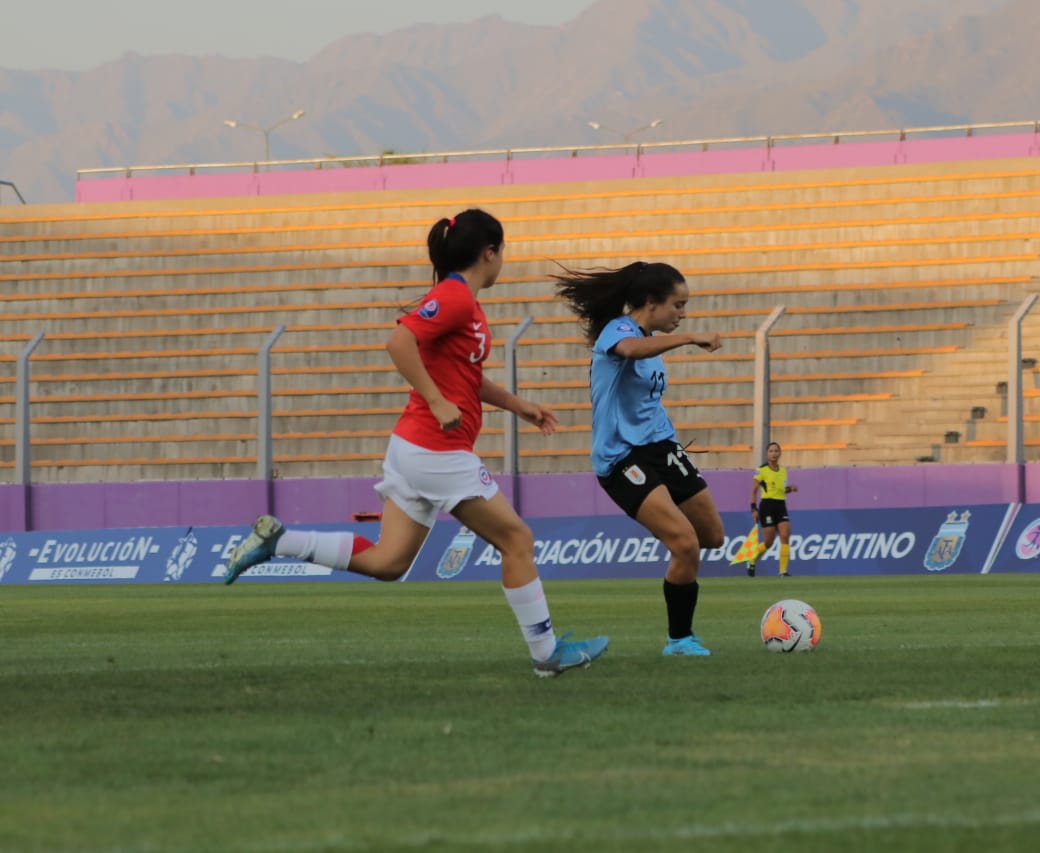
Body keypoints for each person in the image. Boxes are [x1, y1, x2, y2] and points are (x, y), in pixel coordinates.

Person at [223, 209, 608, 678]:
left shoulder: (461, 300)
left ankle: (281, 540)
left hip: (413, 448)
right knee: (518, 541)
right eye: (502, 252)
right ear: (490, 253)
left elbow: (464, 375)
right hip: (436, 451)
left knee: (390, 561)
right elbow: (398, 342)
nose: (503, 260)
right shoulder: (455, 298)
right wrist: (436, 399)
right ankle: (546, 654)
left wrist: (515, 404)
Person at [554, 261, 725, 657]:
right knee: (685, 543)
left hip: (662, 447)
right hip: (621, 457)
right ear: (651, 302)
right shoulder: (621, 329)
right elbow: (630, 349)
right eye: (678, 305)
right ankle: (680, 639)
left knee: (712, 537)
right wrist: (689, 339)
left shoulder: (649, 338)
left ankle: (676, 565)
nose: (683, 314)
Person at [746, 441, 798, 577]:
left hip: (781, 505)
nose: (774, 453)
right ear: (767, 454)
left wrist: (790, 489)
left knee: (785, 536)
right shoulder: (761, 470)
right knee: (769, 542)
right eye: (771, 451)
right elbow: (754, 490)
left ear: (780, 453)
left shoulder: (783, 471)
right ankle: (752, 559)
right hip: (767, 506)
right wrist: (754, 509)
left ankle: (783, 571)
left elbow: (782, 490)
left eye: (776, 451)